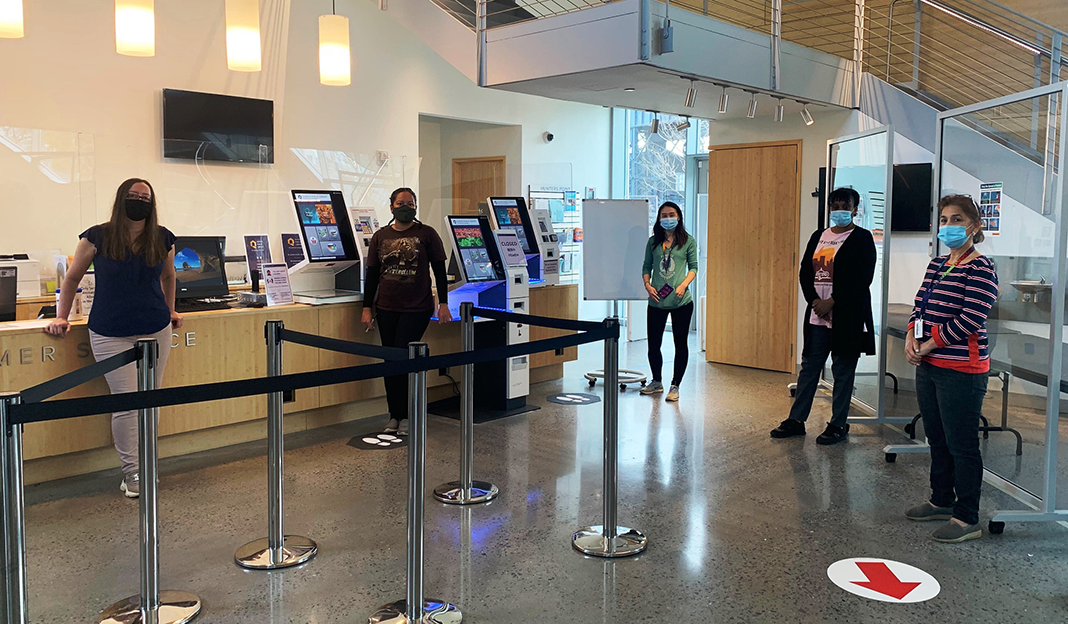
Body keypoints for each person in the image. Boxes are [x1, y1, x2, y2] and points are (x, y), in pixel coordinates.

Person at [45, 178, 182, 498]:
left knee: (150, 401)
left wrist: (171, 310)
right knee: (126, 403)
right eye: (133, 196)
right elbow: (72, 278)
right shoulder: (97, 236)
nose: (139, 201)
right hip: (110, 331)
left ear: (153, 203)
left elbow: (168, 276)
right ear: (121, 199)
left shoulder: (162, 238)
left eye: (145, 197)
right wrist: (61, 316)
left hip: (155, 328)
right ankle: (132, 472)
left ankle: (148, 466)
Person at [904, 195, 998, 543]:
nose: (949, 226)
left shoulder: (981, 268)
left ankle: (967, 516)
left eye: (957, 219)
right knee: (938, 438)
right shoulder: (936, 264)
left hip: (961, 369)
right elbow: (921, 305)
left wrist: (929, 343)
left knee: (962, 444)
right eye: (944, 219)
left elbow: (972, 317)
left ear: (974, 226)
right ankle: (942, 499)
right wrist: (912, 338)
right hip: (928, 365)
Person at [771, 187, 876, 445]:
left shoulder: (862, 238)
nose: (839, 209)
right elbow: (805, 271)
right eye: (835, 204)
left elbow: (863, 278)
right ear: (829, 207)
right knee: (809, 368)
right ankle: (796, 420)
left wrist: (833, 302)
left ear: (855, 209)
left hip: (847, 315)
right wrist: (816, 302)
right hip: (817, 313)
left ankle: (838, 423)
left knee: (842, 370)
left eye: (845, 205)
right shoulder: (819, 235)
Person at [361, 188, 452, 435]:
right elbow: (372, 275)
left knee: (404, 356)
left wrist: (443, 303)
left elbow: (439, 271)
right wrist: (367, 307)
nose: (405, 207)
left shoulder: (427, 234)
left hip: (417, 308)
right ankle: (395, 415)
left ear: (415, 206)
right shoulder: (380, 236)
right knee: (390, 361)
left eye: (410, 203)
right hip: (387, 307)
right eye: (400, 203)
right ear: (391, 207)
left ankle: (409, 415)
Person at [639, 201, 698, 403]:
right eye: (663, 215)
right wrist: (647, 285)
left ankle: (675, 385)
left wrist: (683, 286)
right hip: (656, 301)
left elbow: (694, 268)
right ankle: (657, 381)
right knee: (654, 344)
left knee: (680, 344)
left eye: (671, 214)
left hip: (681, 301)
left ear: (679, 217)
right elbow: (646, 266)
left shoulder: (688, 241)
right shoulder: (653, 242)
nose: (667, 218)